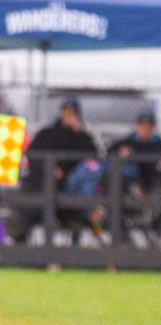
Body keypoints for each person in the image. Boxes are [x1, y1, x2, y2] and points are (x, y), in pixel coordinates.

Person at [6, 96, 98, 243]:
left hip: (66, 191)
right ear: (61, 113)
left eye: (72, 113)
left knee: (76, 213)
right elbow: (32, 156)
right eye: (66, 112)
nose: (68, 116)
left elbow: (93, 158)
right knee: (25, 211)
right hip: (38, 185)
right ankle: (20, 242)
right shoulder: (46, 134)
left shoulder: (82, 138)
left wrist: (80, 132)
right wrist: (50, 170)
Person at [107, 110, 161, 196]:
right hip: (128, 182)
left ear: (153, 128)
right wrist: (120, 152)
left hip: (148, 180)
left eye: (148, 126)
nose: (144, 128)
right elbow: (110, 150)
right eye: (142, 125)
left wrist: (133, 154)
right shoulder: (130, 140)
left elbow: (156, 163)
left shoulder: (158, 143)